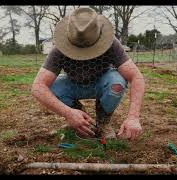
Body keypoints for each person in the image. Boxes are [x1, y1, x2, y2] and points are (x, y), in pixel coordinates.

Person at [32, 7, 145, 141]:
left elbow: (136, 77)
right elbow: (38, 86)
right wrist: (68, 113)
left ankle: (103, 122)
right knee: (51, 88)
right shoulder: (59, 50)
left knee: (117, 83)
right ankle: (82, 119)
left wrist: (133, 117)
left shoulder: (111, 43)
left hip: (102, 81)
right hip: (74, 84)